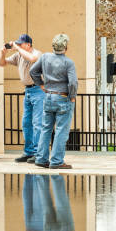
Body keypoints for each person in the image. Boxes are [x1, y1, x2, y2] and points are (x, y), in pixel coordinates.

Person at [30, 34, 78, 169]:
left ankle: (41, 159)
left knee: (46, 129)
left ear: (53, 46)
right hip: (63, 97)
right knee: (61, 131)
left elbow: (33, 71)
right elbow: (73, 82)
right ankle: (56, 161)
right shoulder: (68, 62)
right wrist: (72, 96)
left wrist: (40, 85)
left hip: (48, 96)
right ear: (66, 47)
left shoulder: (45, 57)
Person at [0, 34, 43, 164]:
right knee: (26, 123)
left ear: (28, 44)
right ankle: (28, 151)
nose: (17, 45)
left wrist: (17, 48)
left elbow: (33, 58)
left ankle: (38, 153)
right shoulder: (19, 55)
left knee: (38, 123)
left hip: (39, 90)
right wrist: (3, 53)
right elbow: (2, 64)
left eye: (20, 43)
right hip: (28, 91)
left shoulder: (36, 53)